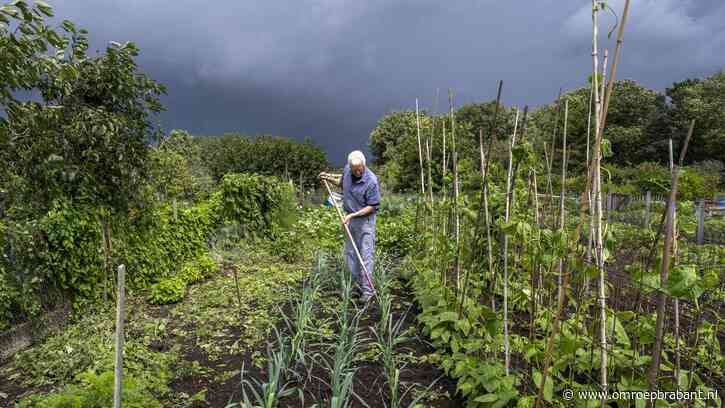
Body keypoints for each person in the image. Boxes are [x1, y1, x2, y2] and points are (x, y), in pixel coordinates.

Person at [319, 150, 380, 302]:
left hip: (365, 221)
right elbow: (342, 182)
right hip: (349, 219)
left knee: (365, 255)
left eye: (360, 168)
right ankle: (356, 286)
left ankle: (368, 291)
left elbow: (372, 206)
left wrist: (353, 215)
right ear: (350, 167)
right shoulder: (348, 170)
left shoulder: (371, 181)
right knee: (351, 254)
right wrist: (328, 177)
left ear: (364, 165)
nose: (358, 171)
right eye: (355, 170)